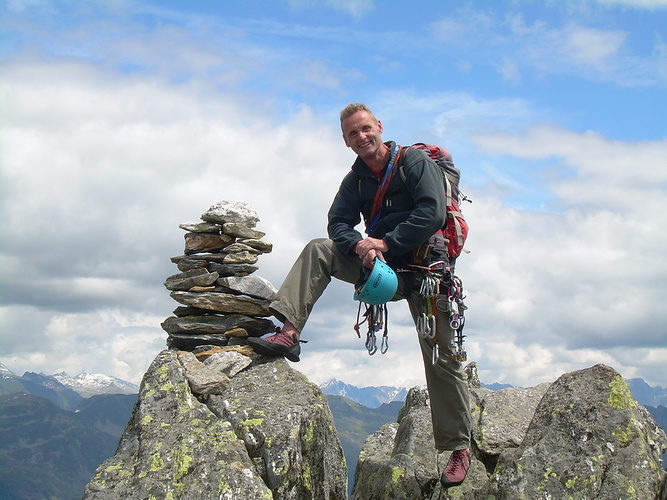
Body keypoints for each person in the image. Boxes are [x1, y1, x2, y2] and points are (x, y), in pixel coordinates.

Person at [248, 103, 472, 487]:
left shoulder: (414, 163)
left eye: (366, 128)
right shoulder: (356, 180)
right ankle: (288, 330)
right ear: (345, 140)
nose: (362, 137)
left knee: (442, 357)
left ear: (379, 127)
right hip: (383, 270)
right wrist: (359, 246)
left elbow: (432, 212)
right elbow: (337, 222)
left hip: (426, 273)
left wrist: (384, 242)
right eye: (353, 133)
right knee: (320, 249)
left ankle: (459, 448)